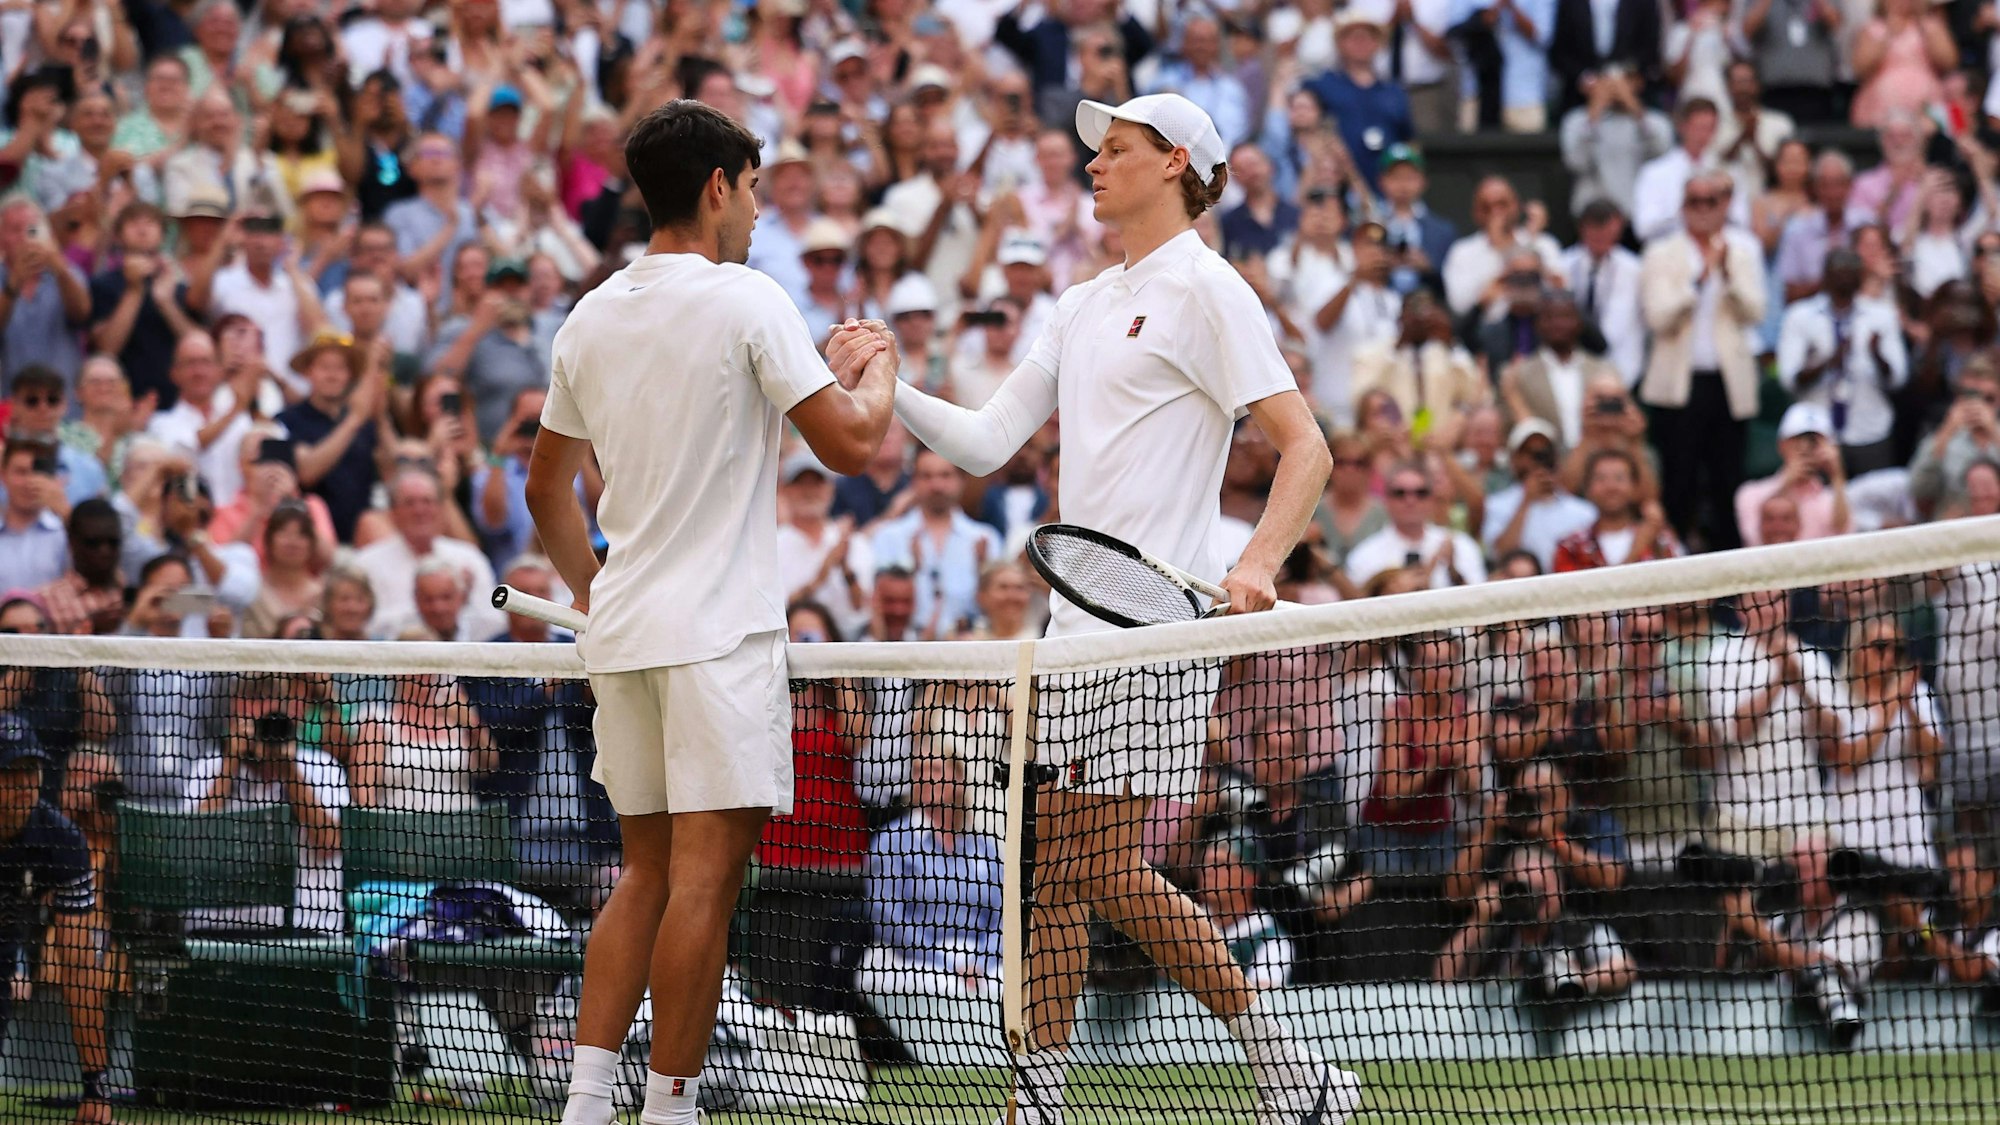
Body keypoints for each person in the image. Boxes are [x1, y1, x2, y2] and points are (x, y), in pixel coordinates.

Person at [883, 92, 1354, 1123]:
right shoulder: (1082, 301)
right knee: (1056, 873)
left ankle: (1289, 1072)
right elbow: (979, 443)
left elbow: (1304, 446)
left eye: (1118, 149)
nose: (1094, 163)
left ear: (1174, 163)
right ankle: (1045, 1104)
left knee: (1086, 866)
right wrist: (890, 391)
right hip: (1071, 634)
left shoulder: (1209, 290)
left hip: (1156, 634)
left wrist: (1258, 562)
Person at [522, 101, 898, 1125]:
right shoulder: (746, 300)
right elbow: (854, 447)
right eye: (755, 191)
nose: (759, 216)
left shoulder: (589, 314)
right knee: (702, 882)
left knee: (644, 874)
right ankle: (670, 1108)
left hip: (627, 635)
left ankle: (587, 1106)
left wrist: (596, 594)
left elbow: (545, 491)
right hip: (719, 637)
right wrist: (879, 368)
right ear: (719, 185)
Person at [1638, 171, 1765, 552]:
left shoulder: (1741, 252)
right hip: (1680, 388)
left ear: (1723, 206)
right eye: (1695, 201)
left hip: (1727, 386)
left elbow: (1755, 311)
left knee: (1728, 484)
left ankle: (1732, 580)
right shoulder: (1661, 255)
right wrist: (1698, 280)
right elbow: (1658, 317)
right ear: (1683, 207)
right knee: (1679, 485)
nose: (1704, 210)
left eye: (1712, 201)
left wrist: (1725, 274)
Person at [0, 716, 112, 1125]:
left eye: (30, 770)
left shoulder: (62, 841)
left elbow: (80, 964)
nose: (24, 783)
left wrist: (95, 1090)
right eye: (9, 772)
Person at [855, 744, 1005, 999]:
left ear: (957, 779)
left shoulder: (984, 846)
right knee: (946, 988)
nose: (925, 777)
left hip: (980, 962)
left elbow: (1003, 916)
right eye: (918, 770)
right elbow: (888, 918)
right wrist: (947, 964)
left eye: (934, 769)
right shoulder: (891, 841)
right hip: (913, 960)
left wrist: (982, 961)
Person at [1776, 248, 1909, 476]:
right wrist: (1825, 363)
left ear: (1860, 277)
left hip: (1870, 429)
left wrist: (1877, 356)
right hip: (1817, 432)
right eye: (1838, 272)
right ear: (1826, 276)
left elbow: (1898, 379)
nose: (1844, 278)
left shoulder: (1881, 315)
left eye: (1850, 272)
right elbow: (1789, 379)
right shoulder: (1800, 316)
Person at [1735, 402, 1852, 547]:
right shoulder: (1750, 493)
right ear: (1781, 445)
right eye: (1797, 440)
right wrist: (1786, 482)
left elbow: (1845, 539)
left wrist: (1837, 476)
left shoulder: (1831, 499)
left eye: (1814, 442)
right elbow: (1755, 539)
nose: (1805, 448)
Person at [35, 500, 125, 635]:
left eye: (113, 542)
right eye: (93, 543)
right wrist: (89, 628)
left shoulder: (132, 595)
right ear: (72, 542)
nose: (105, 551)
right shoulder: (44, 601)